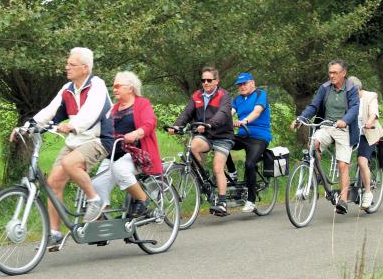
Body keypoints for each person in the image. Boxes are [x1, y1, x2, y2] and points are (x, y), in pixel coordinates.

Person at [11, 47, 113, 246]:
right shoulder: (68, 89)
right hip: (76, 141)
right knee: (53, 182)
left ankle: (94, 200)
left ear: (85, 68)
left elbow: (91, 113)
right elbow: (50, 110)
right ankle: (55, 233)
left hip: (99, 139)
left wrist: (73, 125)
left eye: (71, 65)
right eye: (67, 64)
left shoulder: (97, 86)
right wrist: (25, 127)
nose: (67, 67)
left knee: (69, 164)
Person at [290, 59, 359, 214]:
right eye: (330, 72)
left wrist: (345, 120)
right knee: (313, 143)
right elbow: (314, 106)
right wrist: (301, 119)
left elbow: (354, 108)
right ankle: (316, 176)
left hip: (344, 129)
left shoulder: (351, 89)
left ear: (343, 73)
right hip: (327, 127)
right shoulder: (325, 88)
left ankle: (342, 200)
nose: (332, 75)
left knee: (343, 165)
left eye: (335, 72)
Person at [92, 71, 163, 217]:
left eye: (118, 85)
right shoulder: (114, 109)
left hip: (137, 153)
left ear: (130, 88)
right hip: (114, 154)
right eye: (113, 86)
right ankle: (103, 225)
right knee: (97, 184)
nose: (114, 89)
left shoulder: (142, 103)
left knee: (120, 169)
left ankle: (142, 201)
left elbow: (150, 123)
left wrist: (136, 133)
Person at [167, 66, 234, 216]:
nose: (206, 83)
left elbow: (223, 114)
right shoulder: (197, 95)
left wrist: (210, 124)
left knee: (218, 167)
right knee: (192, 146)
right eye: (203, 80)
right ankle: (203, 181)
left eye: (209, 80)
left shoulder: (224, 95)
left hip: (222, 135)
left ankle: (222, 202)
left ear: (216, 81)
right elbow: (186, 113)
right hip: (205, 135)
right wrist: (176, 126)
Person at [225, 72, 272, 213]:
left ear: (252, 82)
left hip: (259, 136)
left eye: (244, 83)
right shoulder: (238, 99)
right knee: (222, 143)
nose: (241, 86)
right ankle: (232, 173)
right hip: (243, 135)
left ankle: (251, 200)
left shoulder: (260, 94)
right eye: (239, 84)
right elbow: (229, 112)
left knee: (250, 164)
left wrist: (244, 121)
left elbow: (257, 112)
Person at [347, 76, 383, 209]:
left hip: (367, 134)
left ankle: (368, 192)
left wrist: (369, 121)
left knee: (362, 161)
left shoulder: (370, 96)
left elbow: (373, 112)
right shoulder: (348, 98)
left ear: (358, 89)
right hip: (352, 133)